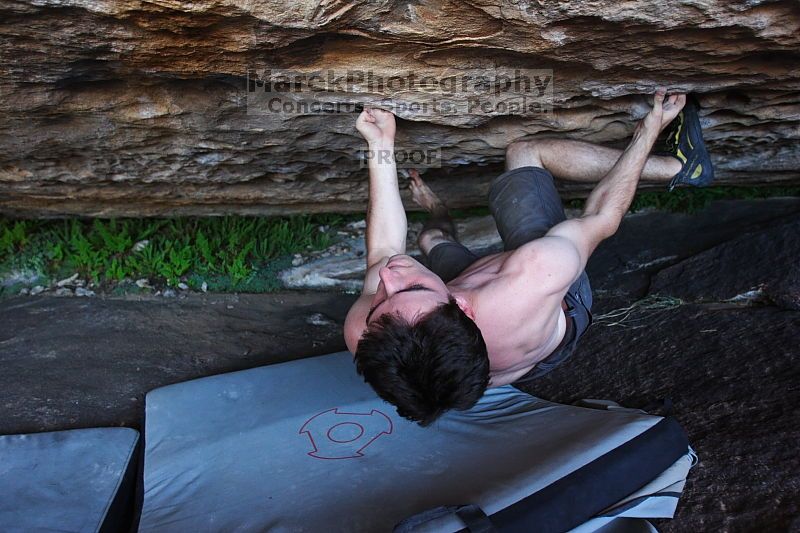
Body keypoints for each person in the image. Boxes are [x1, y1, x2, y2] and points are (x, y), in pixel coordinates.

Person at [344, 89, 713, 426]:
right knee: (523, 153)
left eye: (380, 300)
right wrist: (647, 131)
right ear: (459, 304)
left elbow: (383, 252)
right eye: (407, 288)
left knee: (430, 237)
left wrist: (380, 143)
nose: (388, 278)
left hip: (474, 322)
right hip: (555, 314)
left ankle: (439, 211)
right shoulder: (537, 273)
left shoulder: (370, 331)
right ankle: (682, 168)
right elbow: (601, 217)